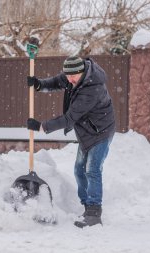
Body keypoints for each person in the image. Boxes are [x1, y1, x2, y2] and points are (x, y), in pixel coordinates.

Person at [26, 56, 116, 228]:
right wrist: (39, 85)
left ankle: (94, 213)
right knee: (79, 170)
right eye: (68, 76)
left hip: (101, 132)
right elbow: (56, 81)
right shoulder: (73, 75)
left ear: (82, 72)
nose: (69, 80)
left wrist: (41, 126)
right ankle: (87, 206)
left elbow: (69, 119)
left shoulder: (92, 89)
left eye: (72, 77)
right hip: (87, 132)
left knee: (92, 170)